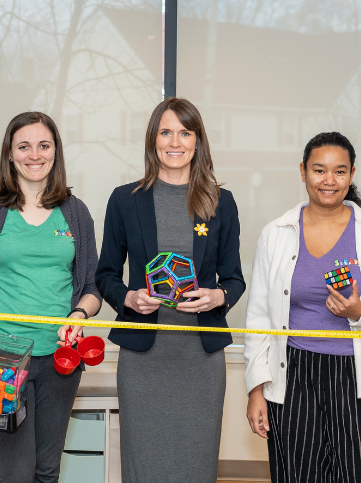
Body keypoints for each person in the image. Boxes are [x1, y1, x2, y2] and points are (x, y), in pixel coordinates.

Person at [242, 132, 361, 482]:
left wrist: (359, 313)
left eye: (339, 171)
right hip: (293, 375)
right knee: (298, 474)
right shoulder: (276, 234)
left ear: (352, 175)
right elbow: (258, 318)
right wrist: (257, 388)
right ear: (303, 172)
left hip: (356, 375)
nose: (329, 181)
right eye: (319, 170)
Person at [95, 97, 245, 482]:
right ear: (152, 139)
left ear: (198, 141)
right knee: (143, 465)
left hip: (200, 359)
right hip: (144, 359)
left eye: (184, 132)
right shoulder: (125, 200)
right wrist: (128, 298)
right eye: (165, 132)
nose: (174, 142)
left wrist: (217, 297)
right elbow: (106, 274)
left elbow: (234, 279)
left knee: (196, 465)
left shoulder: (221, 203)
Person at [0, 111, 101, 482]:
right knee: (17, 473)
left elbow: (91, 288)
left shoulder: (76, 213)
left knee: (48, 470)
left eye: (43, 145)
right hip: (2, 358)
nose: (34, 154)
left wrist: (79, 316)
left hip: (60, 361)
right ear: (10, 154)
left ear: (55, 152)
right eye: (24, 146)